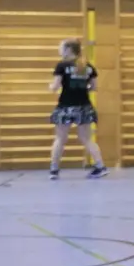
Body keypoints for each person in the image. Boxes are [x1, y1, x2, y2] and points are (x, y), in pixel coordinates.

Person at [47, 38, 107, 180]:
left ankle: (54, 170)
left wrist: (50, 87)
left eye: (61, 48)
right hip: (84, 106)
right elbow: (94, 87)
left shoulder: (62, 65)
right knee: (87, 138)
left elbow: (55, 87)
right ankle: (100, 166)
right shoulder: (87, 66)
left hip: (66, 106)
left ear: (68, 50)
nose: (59, 50)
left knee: (60, 138)